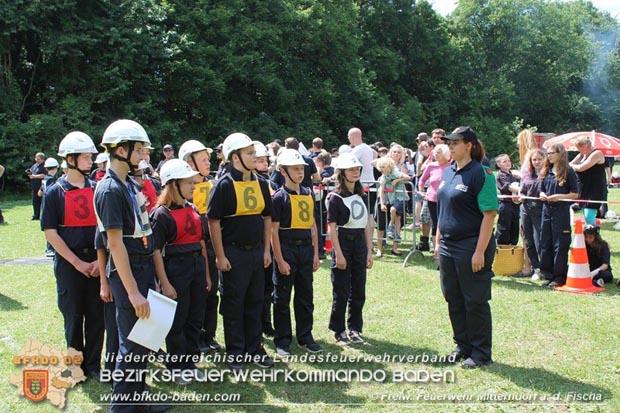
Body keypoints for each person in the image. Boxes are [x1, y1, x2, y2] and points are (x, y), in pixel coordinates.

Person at [93, 119, 168, 412]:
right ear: (120, 150)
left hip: (141, 265)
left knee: (143, 341)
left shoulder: (125, 184)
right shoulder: (110, 189)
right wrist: (134, 292)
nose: (143, 157)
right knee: (131, 344)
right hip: (129, 271)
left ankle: (139, 401)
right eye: (138, 151)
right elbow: (115, 244)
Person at [207, 132, 274, 371]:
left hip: (257, 253)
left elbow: (267, 217)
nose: (255, 157)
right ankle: (235, 353)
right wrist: (221, 255)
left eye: (254, 152)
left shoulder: (261, 183)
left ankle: (254, 348)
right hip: (234, 254)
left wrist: (266, 250)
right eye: (249, 153)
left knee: (256, 302)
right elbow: (213, 221)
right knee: (234, 305)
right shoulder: (223, 185)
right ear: (234, 157)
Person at [40, 131, 104, 381]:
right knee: (73, 317)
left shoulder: (98, 189)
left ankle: (94, 366)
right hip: (69, 264)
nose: (91, 161)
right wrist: (77, 263)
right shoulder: (55, 192)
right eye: (86, 157)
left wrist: (100, 261)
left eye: (90, 157)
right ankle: (75, 368)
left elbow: (106, 229)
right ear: (71, 159)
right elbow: (50, 232)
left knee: (97, 318)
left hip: (98, 261)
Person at [435, 126, 498, 369]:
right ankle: (462, 345)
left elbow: (489, 215)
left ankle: (481, 353)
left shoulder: (482, 173)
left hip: (471, 245)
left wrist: (479, 251)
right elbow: (443, 211)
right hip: (448, 247)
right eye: (448, 143)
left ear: (469, 145)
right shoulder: (448, 172)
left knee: (475, 300)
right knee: (453, 298)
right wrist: (438, 241)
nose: (450, 146)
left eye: (455, 143)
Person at [150, 159, 208, 384]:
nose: (194, 186)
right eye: (188, 182)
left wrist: (205, 275)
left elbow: (200, 242)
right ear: (173, 185)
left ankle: (190, 362)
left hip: (196, 267)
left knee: (195, 318)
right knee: (178, 320)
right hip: (176, 269)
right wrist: (165, 282)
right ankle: (176, 365)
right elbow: (155, 250)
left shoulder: (192, 208)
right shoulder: (161, 214)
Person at [271, 149, 321, 357]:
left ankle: (305, 336)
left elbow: (312, 226)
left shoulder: (309, 194)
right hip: (287, 248)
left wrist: (316, 253)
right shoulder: (278, 198)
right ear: (283, 171)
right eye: (296, 169)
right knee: (282, 297)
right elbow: (273, 231)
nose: (301, 173)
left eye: (302, 169)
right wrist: (280, 259)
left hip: (305, 250)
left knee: (305, 295)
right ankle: (282, 340)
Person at [178, 139, 222, 353]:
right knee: (193, 297)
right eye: (203, 159)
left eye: (208, 159)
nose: (207, 163)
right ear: (190, 162)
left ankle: (208, 335)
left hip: (212, 246)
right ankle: (191, 338)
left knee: (212, 292)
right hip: (190, 249)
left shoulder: (213, 184)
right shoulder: (180, 188)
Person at [326, 153, 373, 346]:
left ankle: (355, 328)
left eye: (357, 169)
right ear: (342, 172)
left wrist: (369, 251)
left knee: (359, 289)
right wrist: (338, 253)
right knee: (342, 290)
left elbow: (367, 225)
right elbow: (332, 228)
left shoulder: (363, 194)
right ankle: (339, 330)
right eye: (351, 169)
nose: (355, 172)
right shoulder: (335, 197)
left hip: (359, 244)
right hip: (343, 242)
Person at [539, 143, 579, 287]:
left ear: (560, 154)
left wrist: (560, 196)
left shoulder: (569, 171)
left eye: (551, 153)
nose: (548, 156)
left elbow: (575, 194)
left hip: (561, 212)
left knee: (560, 244)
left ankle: (559, 277)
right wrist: (542, 194)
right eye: (547, 153)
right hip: (546, 211)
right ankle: (548, 274)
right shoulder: (546, 171)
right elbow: (541, 189)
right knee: (546, 242)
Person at [376, 156, 410, 257]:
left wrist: (398, 180)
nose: (381, 169)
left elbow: (408, 177)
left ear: (389, 166)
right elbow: (381, 191)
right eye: (380, 167)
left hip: (399, 199)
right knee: (381, 224)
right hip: (388, 200)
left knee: (396, 217)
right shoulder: (383, 177)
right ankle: (379, 249)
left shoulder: (395, 172)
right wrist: (382, 203)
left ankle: (395, 245)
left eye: (384, 167)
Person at [519, 149, 545, 281]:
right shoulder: (527, 174)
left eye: (539, 159)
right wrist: (521, 195)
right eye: (534, 160)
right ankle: (536, 268)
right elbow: (522, 190)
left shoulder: (547, 174)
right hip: (525, 210)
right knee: (528, 240)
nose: (537, 162)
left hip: (539, 210)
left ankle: (545, 267)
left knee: (539, 240)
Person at [418, 144, 450, 249]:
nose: (436, 154)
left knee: (443, 222)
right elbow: (422, 180)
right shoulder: (431, 166)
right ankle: (435, 247)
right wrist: (421, 191)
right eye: (435, 152)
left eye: (438, 152)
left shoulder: (451, 166)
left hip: (446, 200)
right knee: (434, 222)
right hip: (431, 198)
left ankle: (442, 246)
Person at [569, 137, 606, 225]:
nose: (577, 150)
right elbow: (570, 164)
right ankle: (591, 232)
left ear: (585, 146)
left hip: (594, 190)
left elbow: (581, 168)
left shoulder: (597, 153)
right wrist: (571, 166)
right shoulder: (582, 154)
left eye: (578, 148)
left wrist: (572, 167)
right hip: (583, 188)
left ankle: (593, 235)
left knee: (589, 216)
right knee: (585, 215)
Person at [348, 127, 377, 212]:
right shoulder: (367, 147)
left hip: (362, 185)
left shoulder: (358, 149)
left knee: (361, 212)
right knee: (370, 212)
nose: (349, 139)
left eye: (349, 137)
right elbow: (375, 154)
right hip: (371, 183)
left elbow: (348, 162)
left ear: (353, 137)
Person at [495, 154, 520, 245]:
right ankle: (503, 249)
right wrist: (523, 191)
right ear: (499, 164)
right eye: (504, 161)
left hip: (516, 205)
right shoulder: (500, 175)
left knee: (515, 227)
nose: (507, 163)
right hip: (506, 205)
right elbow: (509, 187)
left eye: (509, 161)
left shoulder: (514, 175)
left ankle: (513, 248)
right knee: (504, 228)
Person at [40, 157, 60, 257]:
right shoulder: (52, 180)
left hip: (43, 205)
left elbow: (39, 193)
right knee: (52, 227)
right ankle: (50, 249)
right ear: (56, 167)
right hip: (50, 205)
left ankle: (49, 248)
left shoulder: (44, 178)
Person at [28, 152, 47, 220]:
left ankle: (43, 216)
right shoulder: (35, 165)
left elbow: (44, 175)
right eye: (36, 158)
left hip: (41, 187)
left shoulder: (45, 166)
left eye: (38, 159)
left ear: (42, 159)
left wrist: (34, 176)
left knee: (43, 202)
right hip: (34, 187)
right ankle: (36, 216)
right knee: (35, 202)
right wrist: (29, 172)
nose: (36, 160)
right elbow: (31, 170)